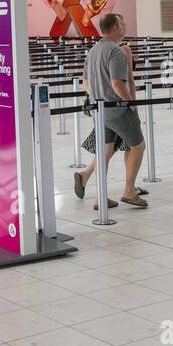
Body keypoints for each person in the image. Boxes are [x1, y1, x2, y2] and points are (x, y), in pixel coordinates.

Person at [72, 12, 148, 210]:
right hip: (117, 110)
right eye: (122, 23)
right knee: (138, 146)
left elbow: (85, 83)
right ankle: (129, 191)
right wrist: (130, 103)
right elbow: (117, 83)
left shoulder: (92, 51)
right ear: (115, 27)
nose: (125, 25)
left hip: (100, 111)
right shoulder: (116, 52)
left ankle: (101, 197)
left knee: (104, 152)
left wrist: (99, 96)